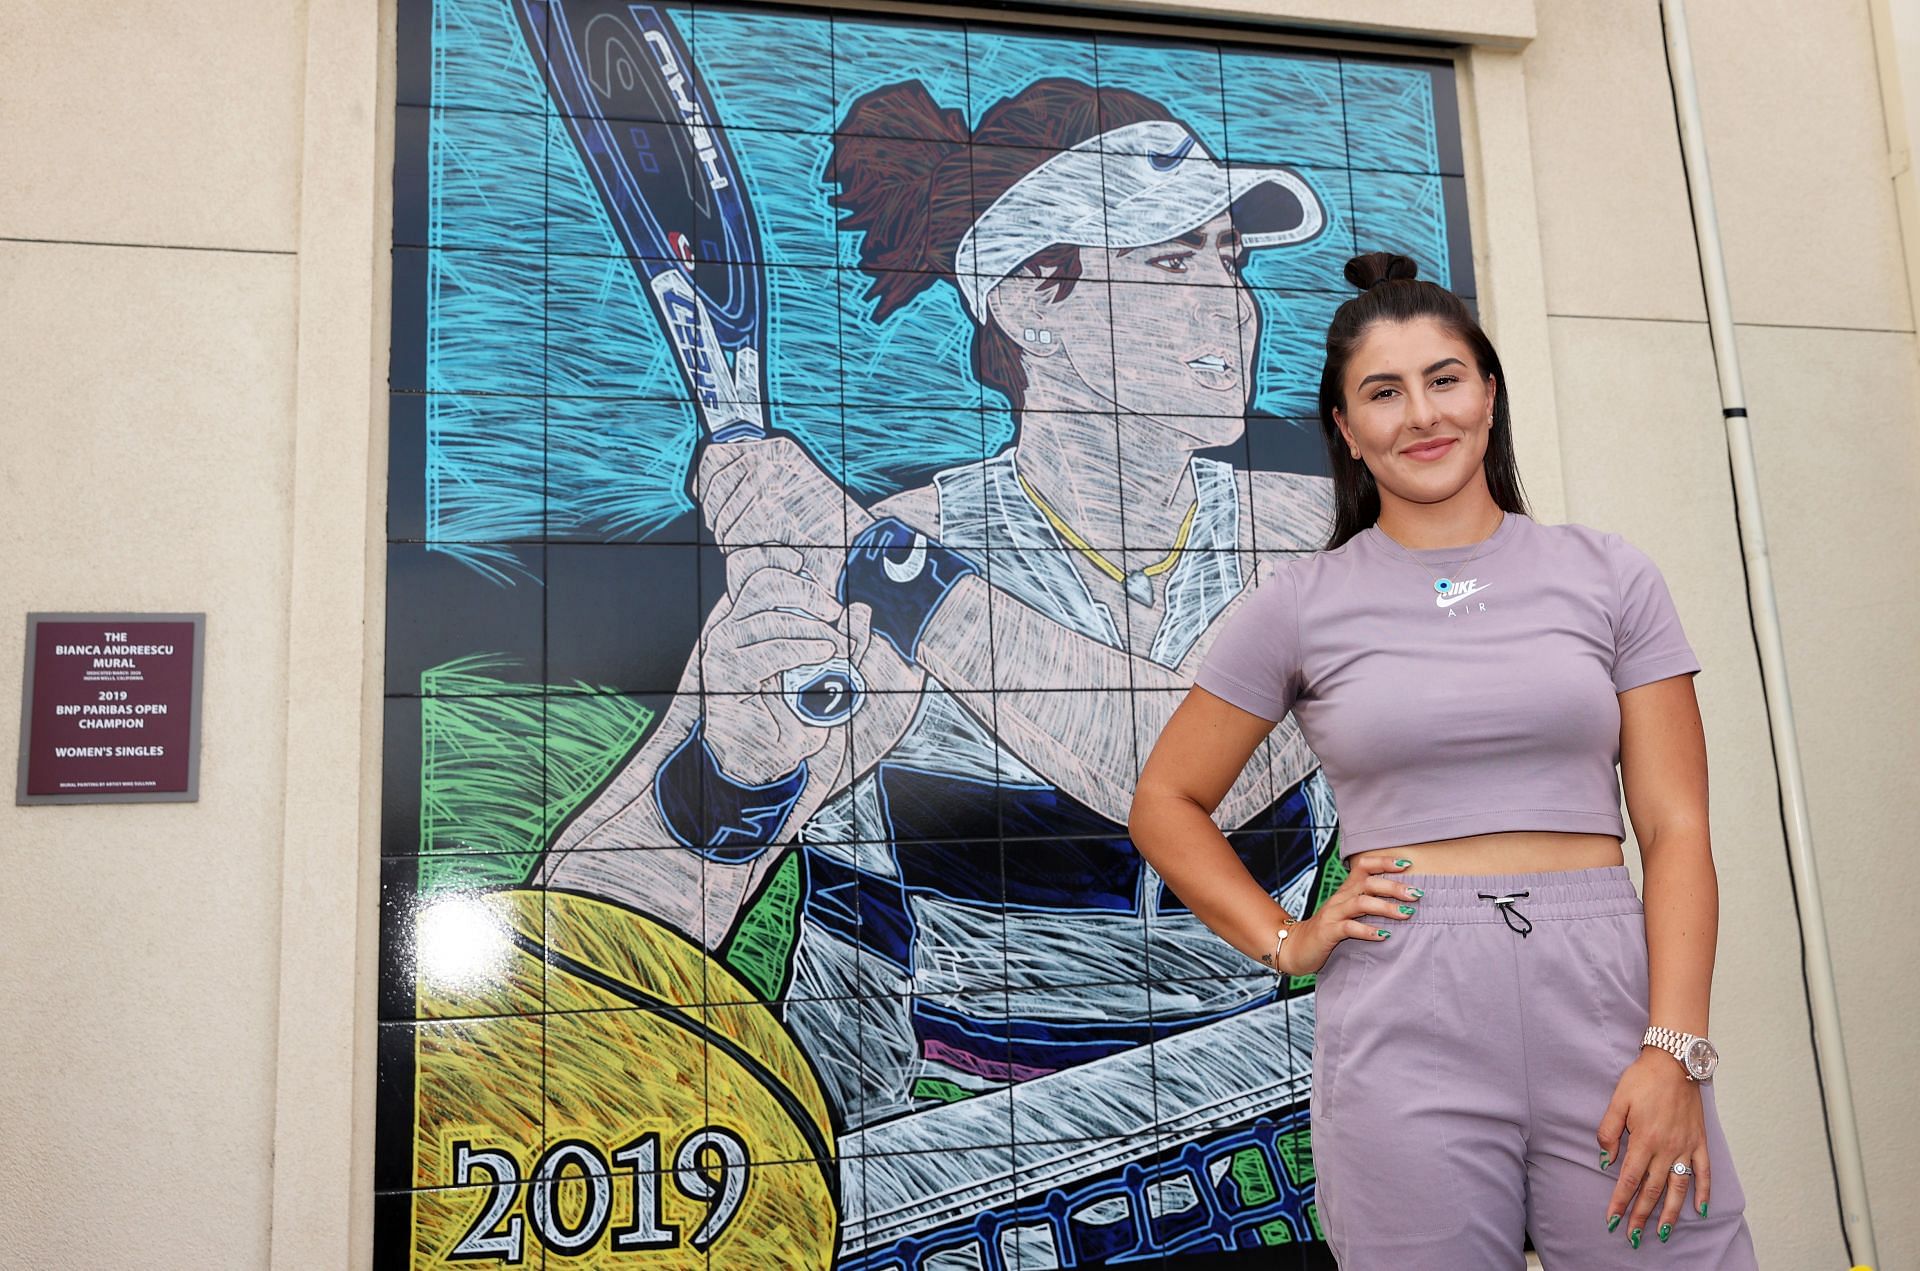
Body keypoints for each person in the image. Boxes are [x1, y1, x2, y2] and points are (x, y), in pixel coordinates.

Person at [542, 75, 1349, 1249]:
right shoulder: (873, 560)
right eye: (1174, 263)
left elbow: (1183, 770)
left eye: (1231, 261)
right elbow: (573, 966)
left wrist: (883, 568)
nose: (1231, 308)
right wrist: (737, 771)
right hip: (924, 1197)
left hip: (1233, 1174)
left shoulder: (1317, 537)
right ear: (1032, 300)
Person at [1128, 251, 1761, 1267]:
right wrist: (1286, 937)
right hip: (1404, 1003)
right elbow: (1166, 799)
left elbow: (1678, 829)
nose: (1421, 414)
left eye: (1445, 378)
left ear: (1488, 392)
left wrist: (1674, 1048)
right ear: (1346, 428)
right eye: (1383, 392)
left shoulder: (1609, 576)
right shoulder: (1300, 603)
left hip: (1605, 997)